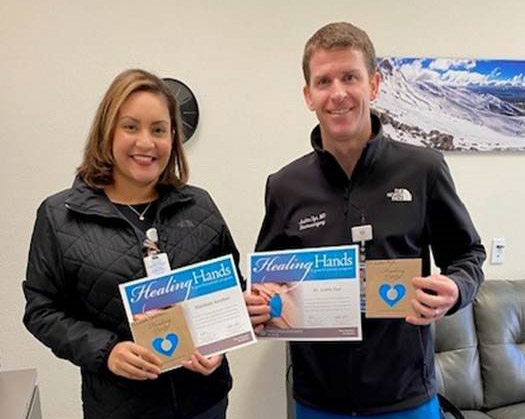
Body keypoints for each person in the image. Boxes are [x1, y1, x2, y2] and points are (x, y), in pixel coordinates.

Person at [245, 22, 485, 418]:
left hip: (406, 396)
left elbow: (468, 254)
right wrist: (258, 305)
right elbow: (268, 279)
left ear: (373, 86)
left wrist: (456, 289)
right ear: (308, 95)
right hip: (317, 401)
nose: (337, 93)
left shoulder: (423, 169)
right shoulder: (285, 185)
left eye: (350, 77)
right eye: (323, 81)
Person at [23, 69, 239, 419]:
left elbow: (230, 287)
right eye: (131, 126)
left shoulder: (200, 206)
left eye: (158, 130)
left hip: (204, 403)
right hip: (119, 409)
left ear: (173, 138)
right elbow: (42, 310)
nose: (146, 143)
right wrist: (106, 351)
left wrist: (219, 344)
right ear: (107, 131)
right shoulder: (58, 216)